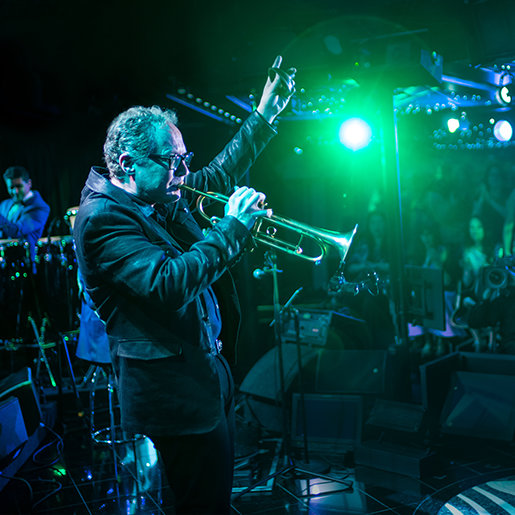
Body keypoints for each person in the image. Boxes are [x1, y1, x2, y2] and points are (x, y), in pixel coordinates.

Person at [73, 56, 295, 514]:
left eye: (183, 159)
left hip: (202, 377)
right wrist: (232, 229)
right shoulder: (103, 219)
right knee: (201, 505)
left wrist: (264, 114)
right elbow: (168, 284)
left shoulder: (153, 194)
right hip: (175, 395)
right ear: (127, 163)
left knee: (211, 497)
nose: (183, 172)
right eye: (173, 162)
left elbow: (214, 177)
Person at [0, 165, 50, 263]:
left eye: (19, 186)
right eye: (11, 187)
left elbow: (17, 231)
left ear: (29, 183)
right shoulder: (4, 204)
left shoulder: (40, 207)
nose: (15, 191)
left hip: (24, 263)